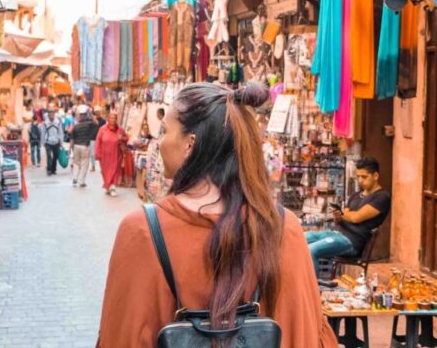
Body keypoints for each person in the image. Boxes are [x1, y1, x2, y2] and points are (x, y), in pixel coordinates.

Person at [98, 83, 336, 347]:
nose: (160, 141)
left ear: (190, 144)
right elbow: (304, 334)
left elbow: (120, 336)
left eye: (165, 130)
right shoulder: (281, 227)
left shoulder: (142, 231)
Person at [305, 157, 391, 268]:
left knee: (311, 250)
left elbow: (356, 218)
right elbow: (341, 219)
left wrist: (344, 214)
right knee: (300, 237)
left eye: (364, 177)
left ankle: (311, 285)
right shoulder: (355, 196)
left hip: (351, 241)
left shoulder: (382, 197)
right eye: (358, 176)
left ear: (375, 176)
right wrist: (338, 216)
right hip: (334, 233)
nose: (360, 180)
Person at [95, 112, 128, 197]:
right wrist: (97, 153)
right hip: (104, 155)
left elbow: (126, 137)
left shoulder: (120, 129)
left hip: (116, 154)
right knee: (105, 171)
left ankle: (112, 187)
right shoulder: (102, 129)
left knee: (114, 170)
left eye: (114, 118)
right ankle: (108, 185)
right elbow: (98, 141)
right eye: (111, 118)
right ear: (108, 119)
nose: (113, 120)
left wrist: (122, 138)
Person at [70, 107, 99, 188]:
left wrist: (69, 149)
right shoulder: (89, 124)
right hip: (85, 146)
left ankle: (75, 178)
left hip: (76, 146)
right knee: (84, 164)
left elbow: (72, 138)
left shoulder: (75, 126)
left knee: (76, 163)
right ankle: (81, 181)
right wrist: (91, 114)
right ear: (85, 116)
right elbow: (97, 123)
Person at [43, 111, 64, 176]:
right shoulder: (45, 123)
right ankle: (49, 170)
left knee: (55, 156)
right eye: (50, 115)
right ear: (48, 115)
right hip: (48, 142)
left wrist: (61, 142)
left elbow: (60, 132)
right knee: (49, 156)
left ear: (54, 115)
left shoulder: (58, 123)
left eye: (52, 115)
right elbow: (43, 133)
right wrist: (43, 142)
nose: (51, 116)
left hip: (56, 142)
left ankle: (54, 169)